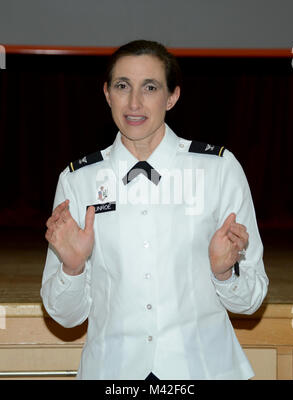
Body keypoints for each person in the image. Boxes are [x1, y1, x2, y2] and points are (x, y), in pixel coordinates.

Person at [41, 40, 268, 380]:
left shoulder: (218, 170)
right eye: (122, 86)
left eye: (150, 87)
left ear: (172, 96)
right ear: (107, 93)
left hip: (204, 371)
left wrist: (224, 273)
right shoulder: (79, 181)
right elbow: (66, 317)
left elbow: (250, 300)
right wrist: (72, 269)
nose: (134, 103)